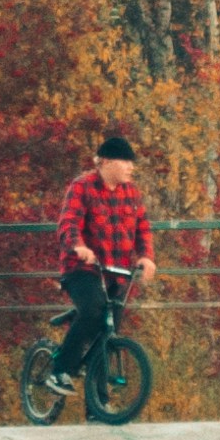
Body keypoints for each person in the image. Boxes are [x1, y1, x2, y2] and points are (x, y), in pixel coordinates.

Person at [49, 133, 156, 378]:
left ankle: (97, 409)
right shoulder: (82, 186)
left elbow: (143, 228)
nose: (131, 167)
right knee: (93, 310)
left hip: (116, 273)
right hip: (82, 269)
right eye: (125, 161)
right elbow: (68, 223)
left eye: (132, 162)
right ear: (106, 162)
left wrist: (146, 256)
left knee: (108, 334)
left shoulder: (131, 193)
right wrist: (78, 246)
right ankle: (60, 371)